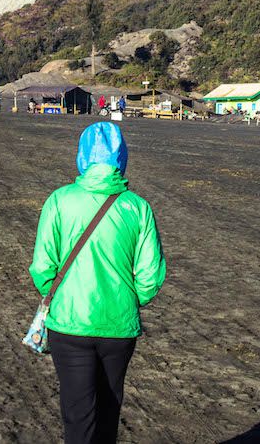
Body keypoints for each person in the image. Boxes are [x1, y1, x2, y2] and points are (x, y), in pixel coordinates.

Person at [30, 122, 167, 444]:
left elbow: (42, 265)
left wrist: (59, 295)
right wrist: (129, 299)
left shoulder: (60, 200)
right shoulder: (138, 207)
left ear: (81, 156)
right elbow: (151, 274)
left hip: (69, 324)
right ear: (122, 158)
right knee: (109, 411)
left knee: (78, 415)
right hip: (119, 326)